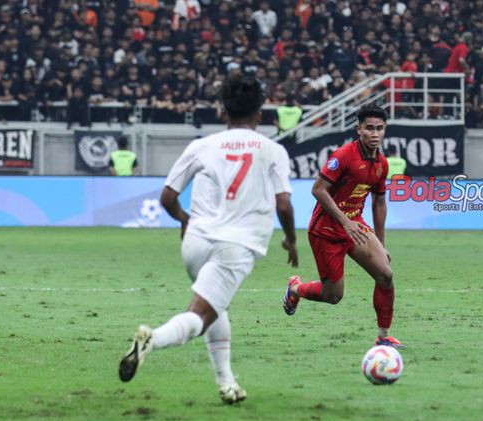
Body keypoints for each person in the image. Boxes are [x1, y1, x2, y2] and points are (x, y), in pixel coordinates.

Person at [118, 75, 299, 404]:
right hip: (236, 246)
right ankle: (152, 340)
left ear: (223, 114)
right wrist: (291, 240)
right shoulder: (273, 151)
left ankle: (227, 382)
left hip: (195, 243)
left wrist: (185, 219)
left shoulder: (201, 145)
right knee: (201, 315)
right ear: (259, 116)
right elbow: (284, 203)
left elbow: (168, 197)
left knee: (218, 306)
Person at [282, 105, 405, 348]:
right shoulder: (343, 156)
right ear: (359, 129)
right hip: (326, 231)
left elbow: (379, 202)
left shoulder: (382, 163)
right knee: (333, 296)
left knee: (385, 274)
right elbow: (318, 189)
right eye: (369, 128)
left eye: (380, 129)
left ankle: (383, 337)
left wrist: (380, 242)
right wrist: (345, 221)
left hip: (355, 227)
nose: (375, 134)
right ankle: (295, 289)